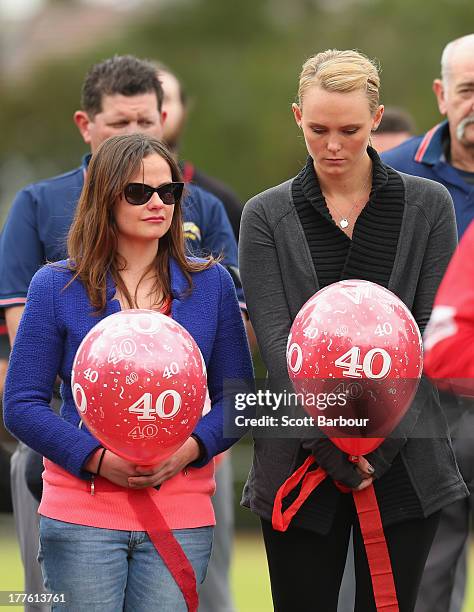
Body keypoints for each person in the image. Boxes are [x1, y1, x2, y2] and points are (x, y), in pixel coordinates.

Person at [0, 54, 240, 611]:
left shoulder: (213, 287)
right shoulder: (54, 284)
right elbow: (23, 402)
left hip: (182, 511)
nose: (157, 203)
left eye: (168, 193)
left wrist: (191, 448)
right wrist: (97, 459)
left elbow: (239, 399)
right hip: (80, 509)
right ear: (104, 197)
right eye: (138, 193)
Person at [239, 49, 468, 612]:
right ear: (297, 117)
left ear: (377, 117)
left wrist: (377, 445)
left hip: (407, 459)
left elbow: (423, 332)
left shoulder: (427, 205)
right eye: (318, 129)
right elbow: (278, 345)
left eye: (350, 129)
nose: (333, 145)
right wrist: (333, 446)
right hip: (300, 455)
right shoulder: (265, 215)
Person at [382, 33, 474, 612]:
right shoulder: (393, 176)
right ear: (442, 95)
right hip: (423, 399)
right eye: (469, 90)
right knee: (426, 574)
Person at [157, 62, 245, 612]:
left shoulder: (216, 202)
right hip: (97, 432)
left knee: (206, 578)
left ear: (180, 111)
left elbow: (244, 322)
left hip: (205, 422)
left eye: (162, 103)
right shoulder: (65, 212)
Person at [157, 64, 243, 241]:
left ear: (183, 110)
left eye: (164, 98)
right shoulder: (98, 194)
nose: (156, 109)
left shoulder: (220, 201)